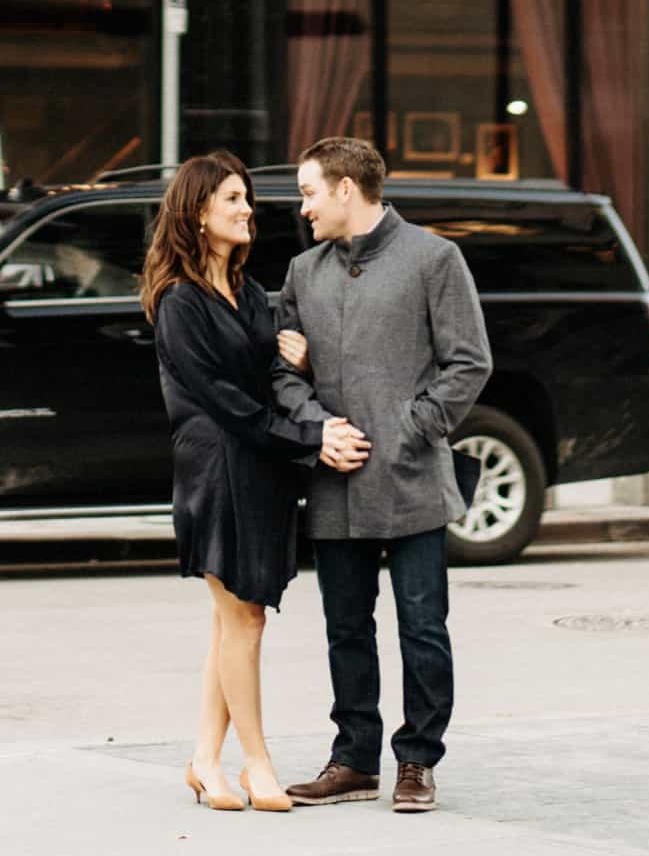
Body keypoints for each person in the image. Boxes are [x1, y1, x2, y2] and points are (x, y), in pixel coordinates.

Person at [144, 151, 372, 814]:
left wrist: (283, 347)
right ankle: (257, 761)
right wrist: (311, 437)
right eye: (235, 199)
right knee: (239, 615)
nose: (249, 210)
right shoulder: (179, 302)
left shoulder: (247, 292)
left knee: (237, 620)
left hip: (262, 467)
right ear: (197, 212)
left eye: (247, 199)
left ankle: (205, 759)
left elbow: (262, 374)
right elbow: (228, 403)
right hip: (216, 469)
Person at [273, 136, 491, 818]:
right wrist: (318, 430)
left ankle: (418, 758)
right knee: (346, 626)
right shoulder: (303, 271)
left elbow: (469, 363)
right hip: (335, 483)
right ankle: (354, 758)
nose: (303, 206)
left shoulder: (434, 257)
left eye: (309, 191)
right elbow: (280, 371)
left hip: (413, 479)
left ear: (345, 188)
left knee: (423, 625)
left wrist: (409, 427)